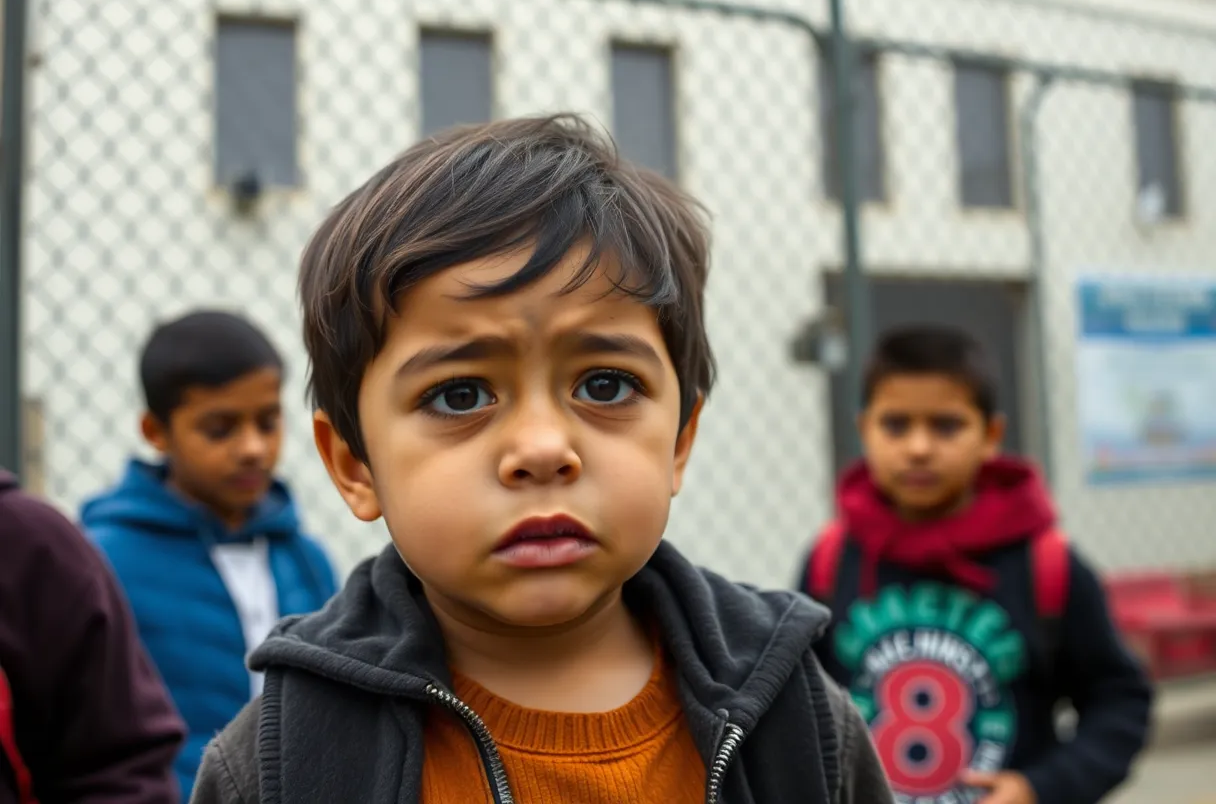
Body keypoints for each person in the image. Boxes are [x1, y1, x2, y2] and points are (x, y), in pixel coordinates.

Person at [190, 115, 892, 803]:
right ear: (354, 465)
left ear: (680, 439)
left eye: (605, 385)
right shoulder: (286, 759)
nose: (543, 449)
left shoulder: (792, 715)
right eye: (460, 395)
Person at [799, 325, 1152, 804]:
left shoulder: (1045, 565)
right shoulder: (831, 560)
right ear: (864, 430)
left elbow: (1120, 700)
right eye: (896, 425)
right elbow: (799, 705)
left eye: (946, 425)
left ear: (991, 435)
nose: (919, 447)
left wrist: (1039, 788)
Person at [82, 311, 339, 801]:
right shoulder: (104, 562)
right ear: (156, 431)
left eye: (268, 422)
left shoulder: (306, 558)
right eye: (220, 429)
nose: (252, 448)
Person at [0, 468, 184, 803]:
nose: (252, 450)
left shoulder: (32, 548)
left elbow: (122, 762)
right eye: (218, 431)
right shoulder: (116, 547)